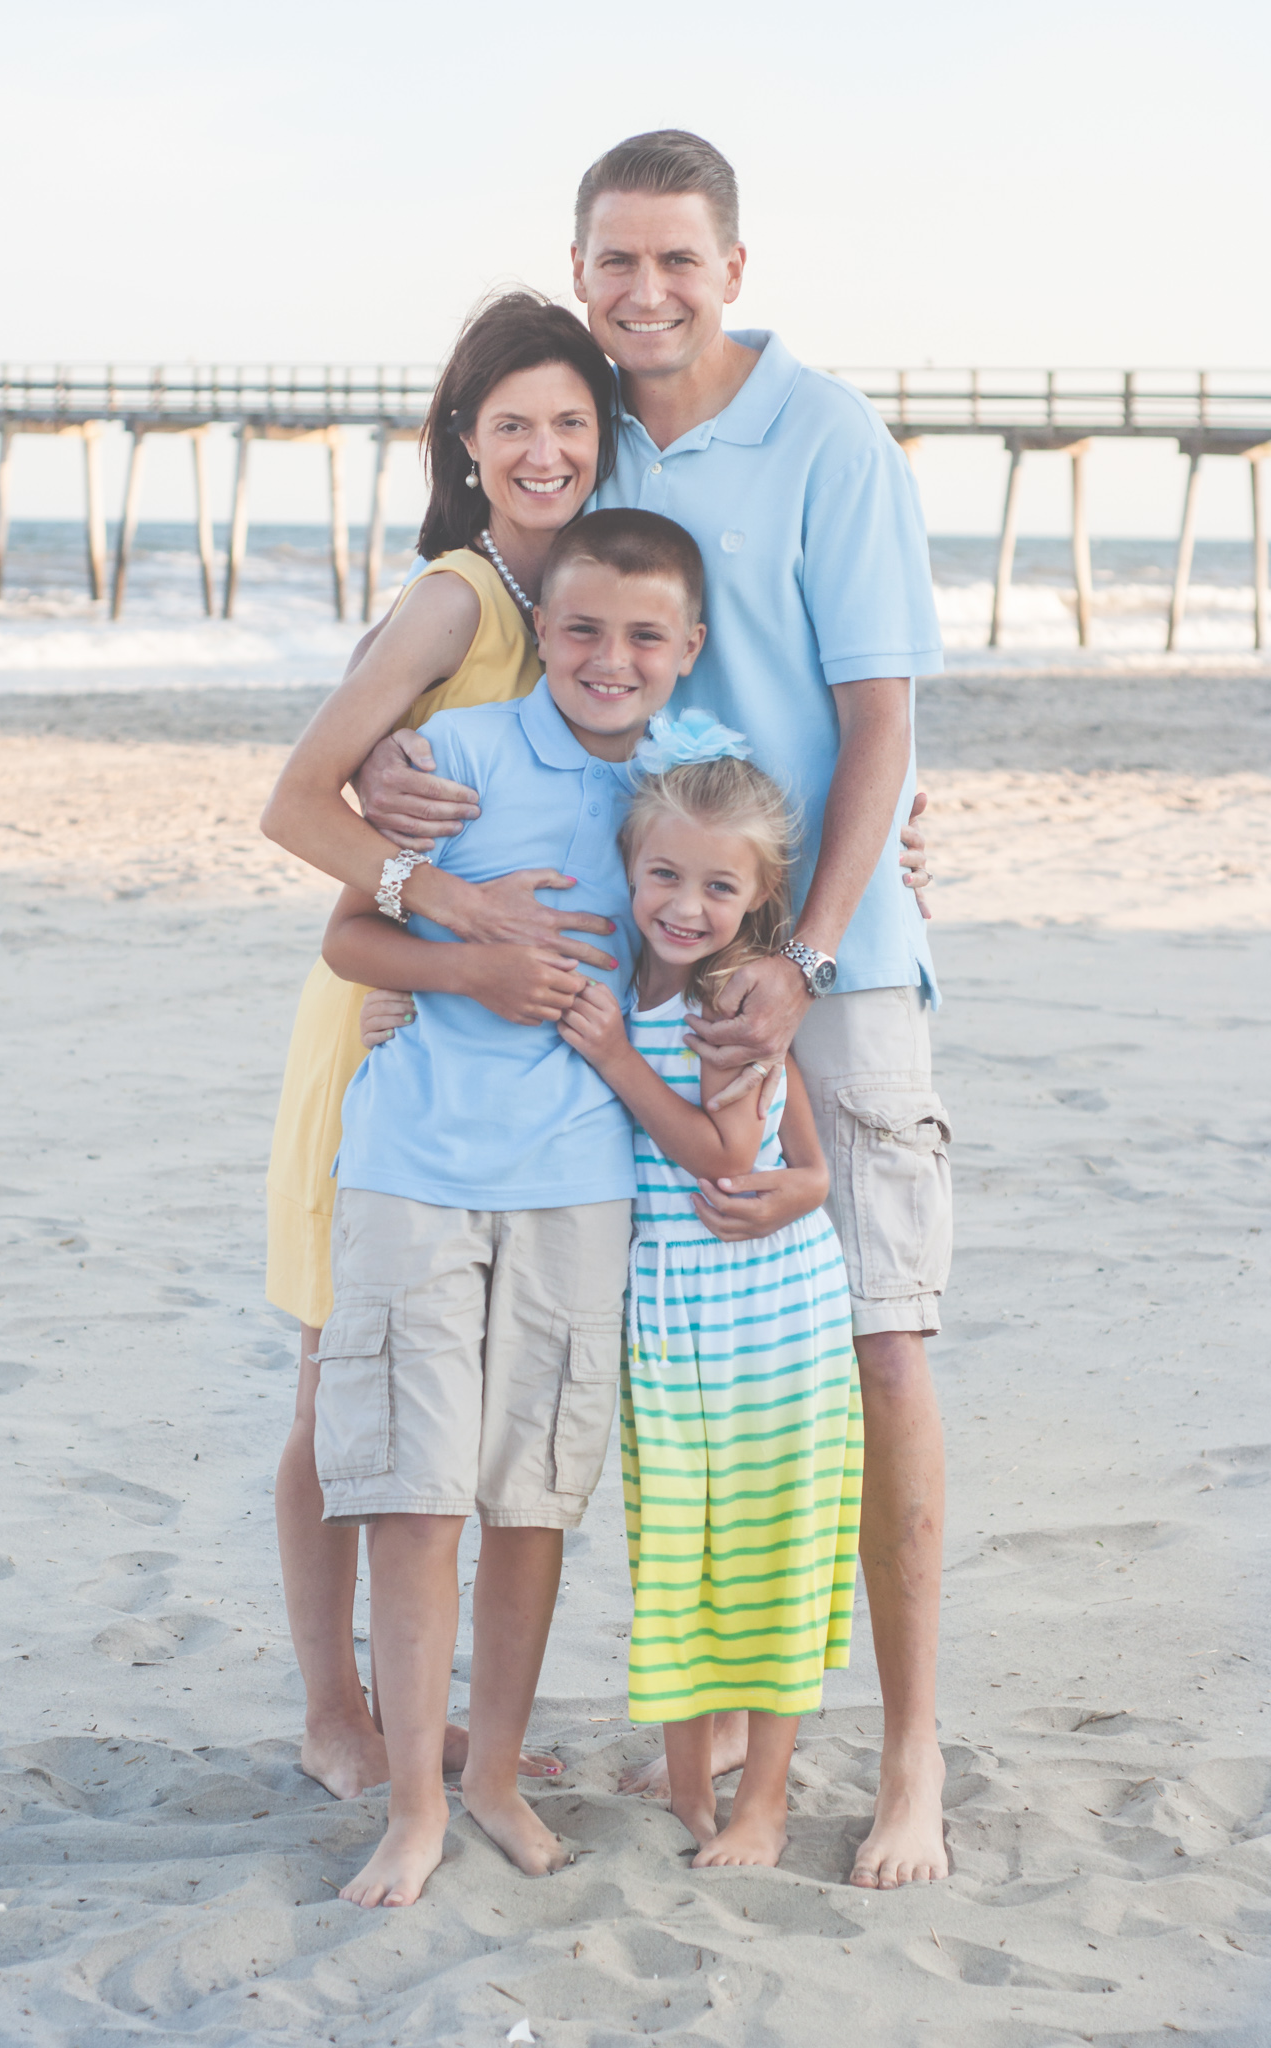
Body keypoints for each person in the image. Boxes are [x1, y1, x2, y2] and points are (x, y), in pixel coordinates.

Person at [356, 130, 952, 1890]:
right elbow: (524, 619)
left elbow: (880, 720)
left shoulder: (827, 436)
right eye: (616, 260)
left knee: (888, 1336)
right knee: (668, 1360)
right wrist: (406, 761)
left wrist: (811, 946)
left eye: (677, 260)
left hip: (826, 942)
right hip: (649, 943)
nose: (645, 291)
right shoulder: (591, 432)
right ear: (583, 263)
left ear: (734, 268)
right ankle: (693, 1743)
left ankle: (906, 1758)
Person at [305, 509, 712, 1908]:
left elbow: (747, 905)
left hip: (579, 1184)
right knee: (415, 1499)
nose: (610, 658)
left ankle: (493, 1774)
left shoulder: (683, 794)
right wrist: (472, 958)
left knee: (531, 1494)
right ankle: (416, 1801)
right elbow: (350, 937)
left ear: (686, 653)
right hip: (415, 1168)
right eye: (584, 628)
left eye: (643, 637)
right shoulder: (456, 761)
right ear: (544, 630)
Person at [259, 290, 623, 1798]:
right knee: (338, 1373)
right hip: (390, 1018)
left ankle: (448, 1721)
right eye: (512, 425)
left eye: (570, 425)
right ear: (465, 446)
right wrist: (442, 899)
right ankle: (333, 1711)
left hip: (514, 1052)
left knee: (458, 1392)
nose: (543, 451)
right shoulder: (457, 600)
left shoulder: (594, 600)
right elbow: (295, 803)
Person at [554, 717, 861, 1867]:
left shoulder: (730, 1001)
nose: (684, 903)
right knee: (674, 1553)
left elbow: (729, 1156)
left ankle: (764, 1801)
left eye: (716, 885)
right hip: (672, 1325)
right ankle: (690, 1789)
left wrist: (622, 1063)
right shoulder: (622, 978)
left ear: (761, 893)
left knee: (772, 1554)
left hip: (773, 1323)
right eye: (664, 874)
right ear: (628, 865)